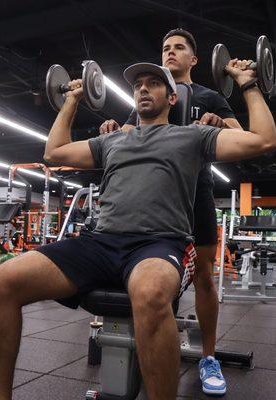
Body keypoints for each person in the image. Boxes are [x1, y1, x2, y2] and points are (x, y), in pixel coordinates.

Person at [0, 60, 276, 400]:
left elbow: (264, 140)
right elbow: (54, 152)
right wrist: (71, 100)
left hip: (158, 244)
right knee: (4, 281)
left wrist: (248, 85)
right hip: (100, 242)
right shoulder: (112, 141)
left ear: (172, 98)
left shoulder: (192, 136)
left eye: (153, 83)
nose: (143, 88)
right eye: (138, 85)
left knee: (151, 293)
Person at [99, 28, 243, 396]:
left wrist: (219, 122)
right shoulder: (148, 96)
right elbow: (130, 134)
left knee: (204, 276)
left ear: (194, 59)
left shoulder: (208, 95)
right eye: (165, 48)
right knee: (149, 276)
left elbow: (239, 133)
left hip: (196, 194)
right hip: (151, 197)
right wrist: (113, 130)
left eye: (178, 48)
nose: (170, 53)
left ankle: (208, 357)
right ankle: (148, 347)